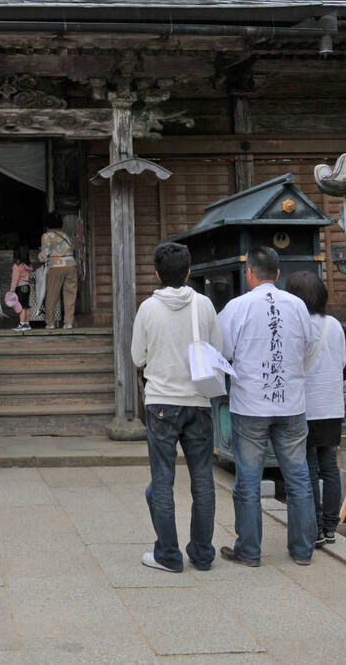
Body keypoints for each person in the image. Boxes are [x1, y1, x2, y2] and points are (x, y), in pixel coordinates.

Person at [216, 246, 319, 567]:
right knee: (298, 478)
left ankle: (249, 550)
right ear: (277, 273)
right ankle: (302, 550)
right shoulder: (298, 305)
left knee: (248, 480)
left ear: (248, 272)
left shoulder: (237, 307)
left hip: (250, 405)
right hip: (291, 403)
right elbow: (309, 347)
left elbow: (222, 350)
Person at [131, 240, 222, 573]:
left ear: (157, 274)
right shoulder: (205, 305)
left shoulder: (147, 309)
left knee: (162, 480)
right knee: (203, 480)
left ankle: (168, 555)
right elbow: (217, 349)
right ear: (188, 272)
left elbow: (137, 357)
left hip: (161, 403)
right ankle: (202, 553)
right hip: (198, 401)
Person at [286, 271, 346, 549]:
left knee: (308, 468)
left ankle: (316, 527)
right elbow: (342, 362)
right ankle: (331, 526)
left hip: (305, 405)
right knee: (330, 467)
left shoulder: (297, 326)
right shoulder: (335, 325)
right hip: (332, 405)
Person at [38, 212, 77, 329]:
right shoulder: (67, 236)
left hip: (56, 266)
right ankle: (68, 323)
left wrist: (39, 256)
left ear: (47, 224)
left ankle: (50, 323)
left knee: (52, 295)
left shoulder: (46, 236)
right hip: (71, 266)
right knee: (70, 295)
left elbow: (44, 255)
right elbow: (73, 249)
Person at [10, 248, 34, 332]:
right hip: (27, 286)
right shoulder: (28, 265)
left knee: (21, 307)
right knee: (26, 306)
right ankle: (27, 324)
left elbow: (15, 278)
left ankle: (22, 324)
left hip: (20, 287)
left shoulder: (17, 265)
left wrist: (12, 290)